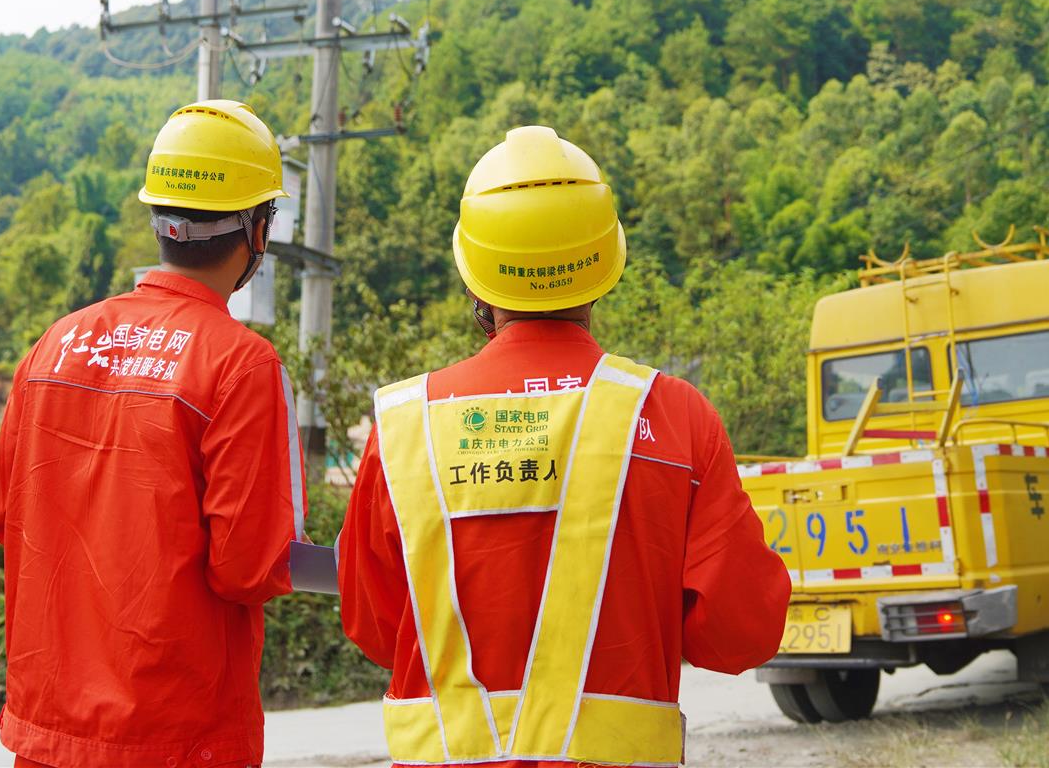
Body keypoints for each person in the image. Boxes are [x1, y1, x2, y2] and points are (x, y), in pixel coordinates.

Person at [337, 125, 790, 767]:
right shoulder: (673, 418)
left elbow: (378, 626)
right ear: (605, 267)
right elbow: (741, 632)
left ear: (475, 279)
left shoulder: (404, 428)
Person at [0, 99, 304, 768]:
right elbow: (246, 567)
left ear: (160, 218)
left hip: (48, 734)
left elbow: (0, 508)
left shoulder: (58, 344)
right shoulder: (240, 363)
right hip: (178, 739)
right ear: (257, 231)